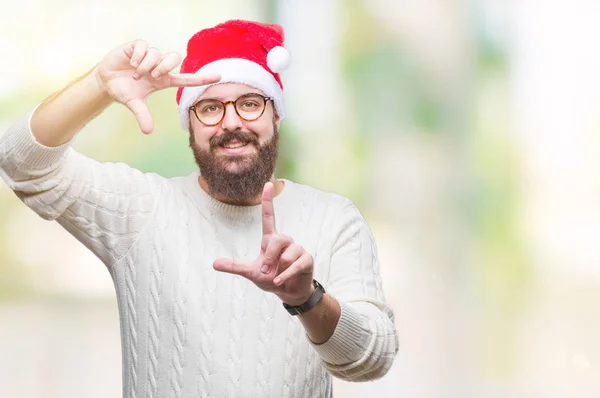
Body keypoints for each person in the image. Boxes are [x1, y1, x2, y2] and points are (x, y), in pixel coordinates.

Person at [0, 19, 398, 397]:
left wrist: (305, 297)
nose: (230, 122)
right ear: (189, 124)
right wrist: (99, 85)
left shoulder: (333, 217)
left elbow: (373, 359)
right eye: (209, 108)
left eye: (249, 103)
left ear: (275, 115)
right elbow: (21, 162)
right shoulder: (142, 209)